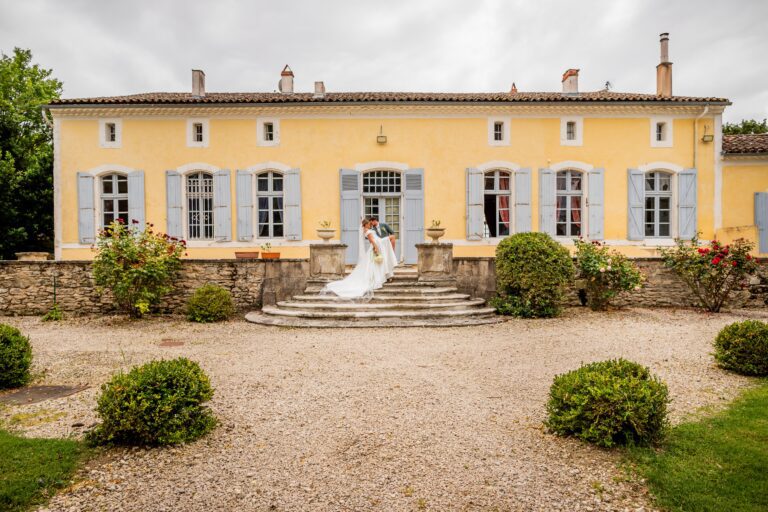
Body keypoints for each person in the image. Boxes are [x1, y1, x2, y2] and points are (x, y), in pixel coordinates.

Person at [321, 218, 397, 300]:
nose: (370, 224)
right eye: (368, 224)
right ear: (365, 225)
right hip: (377, 244)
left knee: (391, 240)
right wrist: (376, 248)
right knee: (391, 239)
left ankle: (385, 273)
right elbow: (372, 240)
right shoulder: (367, 231)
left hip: (379, 243)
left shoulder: (368, 229)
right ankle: (379, 277)